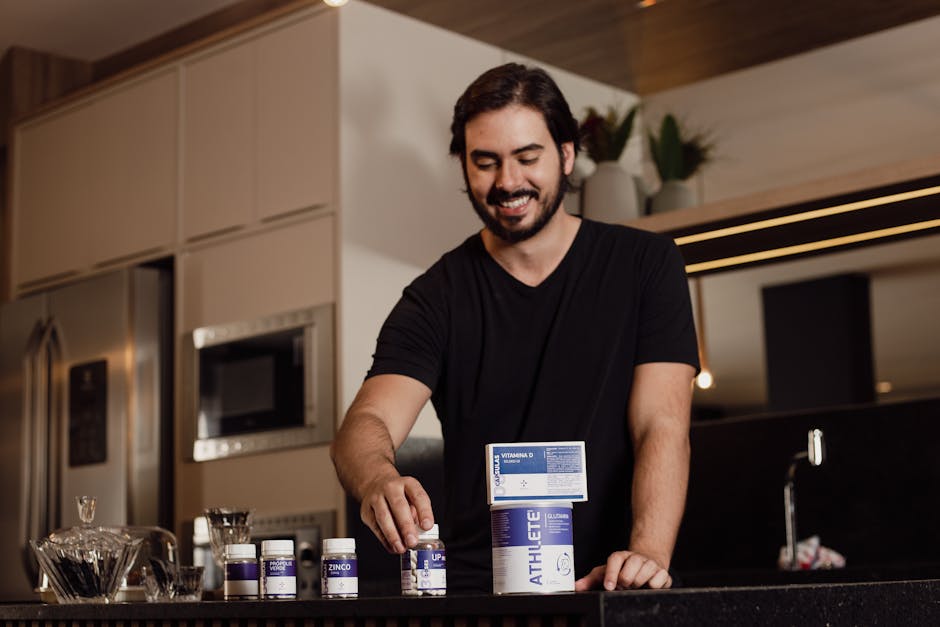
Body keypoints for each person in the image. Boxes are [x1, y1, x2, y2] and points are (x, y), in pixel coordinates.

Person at [330, 62, 699, 593]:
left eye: (527, 158)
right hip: (481, 594)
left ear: (566, 155)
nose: (507, 182)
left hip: (611, 586)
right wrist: (377, 478)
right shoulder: (435, 297)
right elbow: (366, 423)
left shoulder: (645, 265)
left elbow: (660, 426)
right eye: (486, 162)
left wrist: (647, 554)